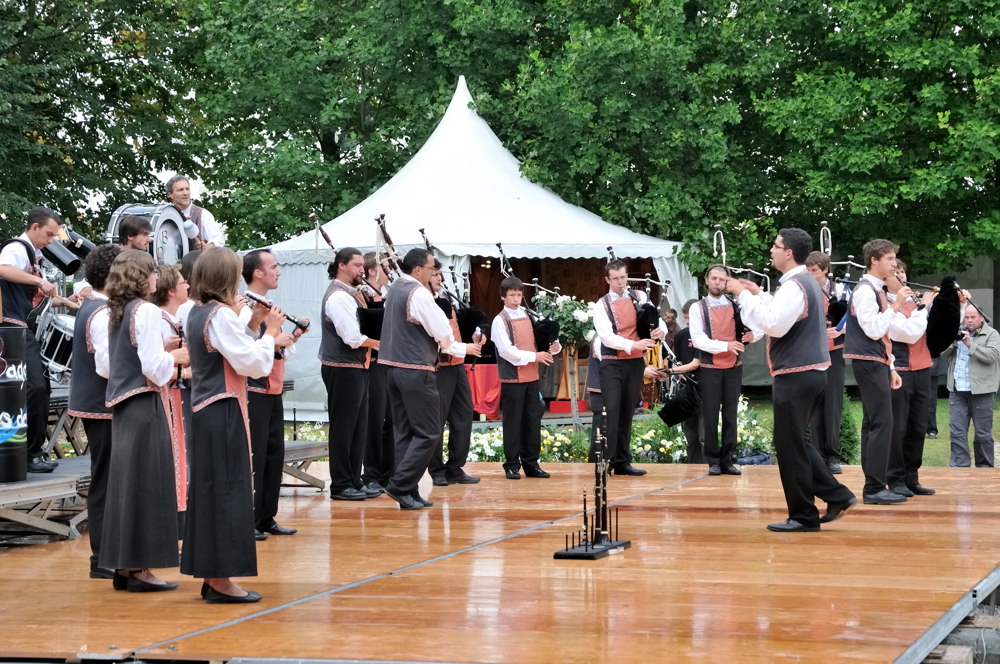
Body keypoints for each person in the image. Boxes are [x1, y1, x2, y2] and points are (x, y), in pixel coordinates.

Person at [181, 247, 291, 603]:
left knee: (212, 491)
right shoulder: (219, 315)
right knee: (227, 491)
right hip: (222, 410)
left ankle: (212, 574)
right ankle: (220, 580)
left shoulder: (198, 312)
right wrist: (271, 333)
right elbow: (252, 364)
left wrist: (254, 325)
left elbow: (231, 350)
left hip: (209, 410)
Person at [728, 228, 857, 532]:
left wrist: (743, 295)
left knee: (788, 444)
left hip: (796, 374)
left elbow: (774, 324)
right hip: (810, 372)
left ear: (788, 252)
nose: (771, 250)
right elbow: (783, 311)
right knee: (793, 441)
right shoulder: (804, 281)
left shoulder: (794, 285)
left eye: (776, 246)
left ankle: (804, 516)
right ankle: (837, 495)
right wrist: (759, 294)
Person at [100, 250, 189, 592]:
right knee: (148, 485)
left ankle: (125, 565)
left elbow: (109, 365)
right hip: (145, 404)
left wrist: (160, 351)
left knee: (127, 486)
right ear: (141, 277)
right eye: (152, 272)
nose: (156, 278)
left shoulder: (116, 311)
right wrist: (174, 356)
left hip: (124, 407)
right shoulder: (147, 310)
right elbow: (154, 368)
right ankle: (140, 569)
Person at [378, 248, 467, 510]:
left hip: (393, 369)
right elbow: (442, 331)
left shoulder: (396, 288)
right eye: (431, 269)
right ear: (418, 270)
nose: (434, 273)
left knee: (405, 432)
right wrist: (457, 346)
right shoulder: (418, 293)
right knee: (429, 432)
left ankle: (409, 491)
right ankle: (399, 485)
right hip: (416, 370)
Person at [843, 239, 922, 505]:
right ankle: (874, 488)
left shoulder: (875, 289)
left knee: (874, 423)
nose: (894, 264)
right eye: (889, 259)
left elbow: (882, 335)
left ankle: (874, 485)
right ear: (874, 260)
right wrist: (896, 305)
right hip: (867, 361)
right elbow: (874, 330)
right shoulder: (866, 290)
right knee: (882, 423)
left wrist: (890, 366)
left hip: (876, 361)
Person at [242, 249, 306, 536]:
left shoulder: (268, 306)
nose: (278, 272)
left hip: (272, 388)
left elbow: (279, 351)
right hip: (254, 389)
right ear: (258, 272)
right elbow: (245, 347)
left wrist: (290, 337)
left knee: (273, 454)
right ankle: (250, 518)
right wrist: (276, 339)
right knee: (255, 456)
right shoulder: (245, 307)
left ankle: (266, 516)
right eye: (274, 267)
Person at [67, 244, 122, 579]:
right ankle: (103, 556)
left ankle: (109, 553)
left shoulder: (96, 307)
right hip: (102, 405)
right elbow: (108, 366)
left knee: (109, 479)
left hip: (100, 403)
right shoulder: (101, 312)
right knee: (106, 480)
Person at [0, 206, 60, 473]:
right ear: (35, 227)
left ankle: (30, 452)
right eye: (49, 234)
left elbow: (35, 295)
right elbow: (2, 269)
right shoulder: (17, 248)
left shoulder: (31, 255)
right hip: (10, 329)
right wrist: (38, 282)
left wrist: (67, 301)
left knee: (35, 387)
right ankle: (29, 454)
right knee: (35, 387)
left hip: (17, 329)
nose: (51, 241)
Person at [592, 259, 664, 476]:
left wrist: (661, 330)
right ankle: (605, 462)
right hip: (612, 363)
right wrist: (634, 345)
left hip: (634, 362)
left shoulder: (639, 296)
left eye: (623, 277)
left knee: (627, 411)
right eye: (615, 278)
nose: (621, 282)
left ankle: (622, 462)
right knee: (611, 410)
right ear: (607, 280)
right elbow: (607, 337)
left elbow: (655, 318)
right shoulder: (601, 305)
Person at [320, 247, 381, 501]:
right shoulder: (338, 296)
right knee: (344, 429)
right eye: (357, 265)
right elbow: (353, 338)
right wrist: (384, 344)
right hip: (342, 367)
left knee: (358, 428)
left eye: (362, 266)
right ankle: (341, 484)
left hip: (356, 367)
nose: (361, 270)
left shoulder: (353, 294)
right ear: (341, 266)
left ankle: (355, 480)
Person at [690, 264, 758, 476]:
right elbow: (698, 340)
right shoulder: (697, 308)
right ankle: (713, 460)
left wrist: (754, 335)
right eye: (714, 278)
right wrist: (725, 345)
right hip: (710, 367)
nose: (718, 283)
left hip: (733, 366)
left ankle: (727, 459)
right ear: (706, 281)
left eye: (722, 279)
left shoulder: (737, 304)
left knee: (730, 414)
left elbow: (759, 322)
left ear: (727, 282)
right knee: (710, 414)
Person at [492, 276, 560, 480]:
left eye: (519, 295)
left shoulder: (529, 315)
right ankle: (512, 465)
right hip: (512, 379)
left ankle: (532, 464)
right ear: (503, 296)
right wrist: (534, 357)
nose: (516, 299)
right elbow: (506, 351)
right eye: (512, 295)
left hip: (531, 376)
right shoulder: (499, 320)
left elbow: (542, 338)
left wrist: (554, 345)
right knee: (513, 423)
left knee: (532, 420)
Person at [429, 263, 483, 485]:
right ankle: (436, 469)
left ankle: (455, 467)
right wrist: (466, 349)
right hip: (438, 367)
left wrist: (477, 334)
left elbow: (457, 327)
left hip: (457, 365)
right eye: (434, 274)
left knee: (463, 415)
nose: (439, 278)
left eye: (439, 274)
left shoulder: (444, 297)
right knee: (437, 419)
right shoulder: (424, 301)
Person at [885, 260, 936, 496]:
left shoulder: (916, 301)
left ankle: (911, 477)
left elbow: (942, 329)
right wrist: (924, 308)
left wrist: (955, 302)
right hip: (900, 370)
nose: (901, 276)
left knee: (918, 426)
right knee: (899, 427)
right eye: (895, 272)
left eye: (903, 271)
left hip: (923, 367)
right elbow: (907, 333)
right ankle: (895, 479)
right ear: (886, 278)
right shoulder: (886, 303)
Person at [149, 264, 192, 521]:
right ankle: (176, 512)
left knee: (181, 452)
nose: (188, 286)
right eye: (183, 283)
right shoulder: (161, 322)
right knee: (176, 453)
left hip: (176, 394)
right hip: (169, 394)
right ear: (170, 291)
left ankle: (182, 507)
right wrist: (187, 372)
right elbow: (158, 366)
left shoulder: (171, 320)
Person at [804, 251, 848, 473]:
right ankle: (818, 455)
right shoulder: (804, 291)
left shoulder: (840, 289)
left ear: (825, 270)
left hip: (834, 352)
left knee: (832, 403)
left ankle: (832, 455)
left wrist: (840, 330)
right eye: (808, 271)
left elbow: (854, 315)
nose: (811, 274)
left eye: (814, 270)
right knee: (814, 403)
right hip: (812, 352)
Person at [941, 303, 1000, 468]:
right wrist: (953, 341)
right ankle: (959, 469)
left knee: (982, 434)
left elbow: (992, 356)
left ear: (982, 317)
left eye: (973, 317)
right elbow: (942, 353)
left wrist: (970, 345)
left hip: (982, 391)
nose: (969, 320)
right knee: (957, 433)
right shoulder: (958, 332)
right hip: (957, 390)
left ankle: (985, 469)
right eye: (966, 317)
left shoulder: (992, 334)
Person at [360, 251, 393, 495]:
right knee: (374, 420)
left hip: (390, 362)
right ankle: (371, 474)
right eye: (385, 267)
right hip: (372, 362)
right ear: (373, 270)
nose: (389, 271)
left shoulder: (389, 293)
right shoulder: (361, 295)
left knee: (391, 419)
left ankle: (389, 473)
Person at [673, 299, 704, 464]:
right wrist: (677, 368)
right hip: (686, 389)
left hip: (704, 389)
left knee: (704, 436)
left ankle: (707, 467)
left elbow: (695, 364)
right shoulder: (681, 335)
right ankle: (694, 467)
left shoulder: (706, 335)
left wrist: (672, 371)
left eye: (690, 318)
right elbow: (677, 359)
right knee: (690, 434)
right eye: (685, 318)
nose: (687, 322)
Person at [166, 175, 226, 248]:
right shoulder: (166, 216)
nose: (185, 193)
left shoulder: (203, 214)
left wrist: (208, 246)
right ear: (170, 195)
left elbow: (219, 239)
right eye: (181, 190)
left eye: (187, 189)